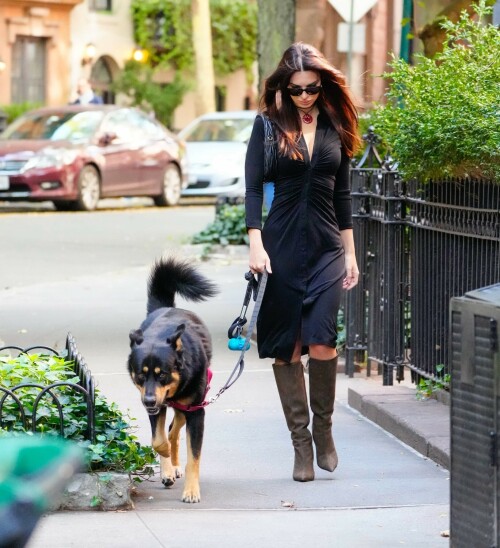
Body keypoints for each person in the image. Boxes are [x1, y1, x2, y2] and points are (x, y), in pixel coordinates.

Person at [245, 42, 361, 482]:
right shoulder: (268, 127)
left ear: (323, 85)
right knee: (288, 346)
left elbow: (343, 194)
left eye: (313, 88)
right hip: (281, 248)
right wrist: (256, 243)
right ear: (283, 88)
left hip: (328, 246)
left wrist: (350, 253)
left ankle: (325, 431)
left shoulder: (335, 124)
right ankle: (301, 443)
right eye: (296, 90)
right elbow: (254, 188)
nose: (306, 97)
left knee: (322, 340)